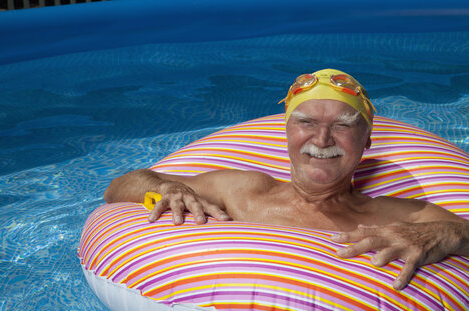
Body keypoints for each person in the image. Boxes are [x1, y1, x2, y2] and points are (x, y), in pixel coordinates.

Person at [104, 68, 469, 290]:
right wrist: (169, 188)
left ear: (366, 140)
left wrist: (447, 233)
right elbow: (120, 186)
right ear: (287, 132)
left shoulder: (398, 216)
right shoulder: (241, 191)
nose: (323, 140)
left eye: (343, 126)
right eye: (306, 123)